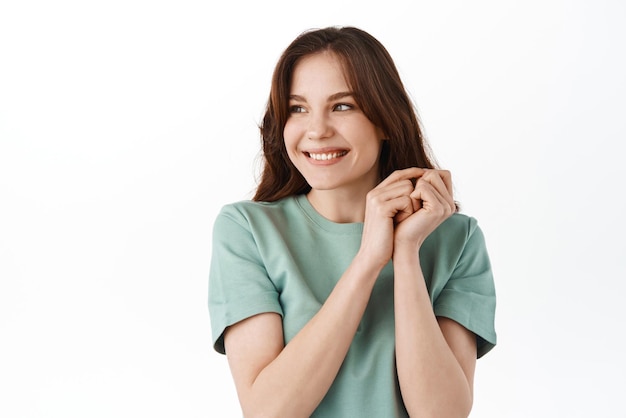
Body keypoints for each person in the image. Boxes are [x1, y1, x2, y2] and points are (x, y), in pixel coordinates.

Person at [208, 26, 496, 417]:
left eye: (342, 106)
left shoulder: (456, 239)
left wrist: (406, 252)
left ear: (384, 119)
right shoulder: (247, 230)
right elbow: (267, 412)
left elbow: (442, 414)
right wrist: (368, 261)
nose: (317, 130)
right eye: (297, 108)